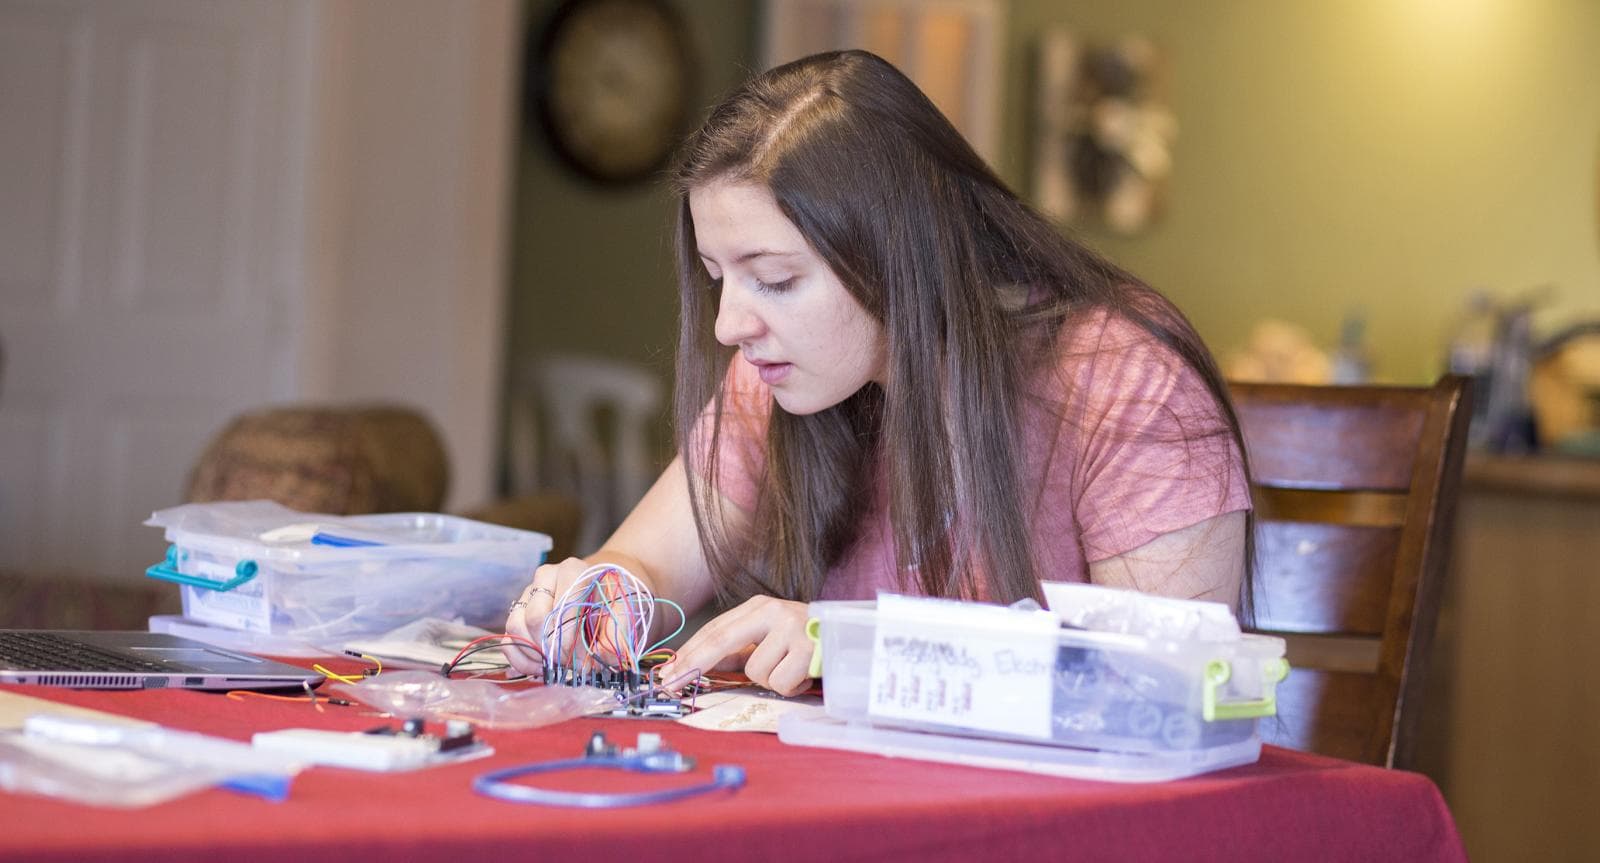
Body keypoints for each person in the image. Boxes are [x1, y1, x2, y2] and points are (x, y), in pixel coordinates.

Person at [506, 50, 1252, 696]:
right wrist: (596, 598)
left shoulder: (1127, 384)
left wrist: (855, 644)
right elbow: (646, 562)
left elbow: (1172, 683)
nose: (729, 325)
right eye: (716, 277)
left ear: (893, 254)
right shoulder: (776, 375)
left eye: (773, 278)